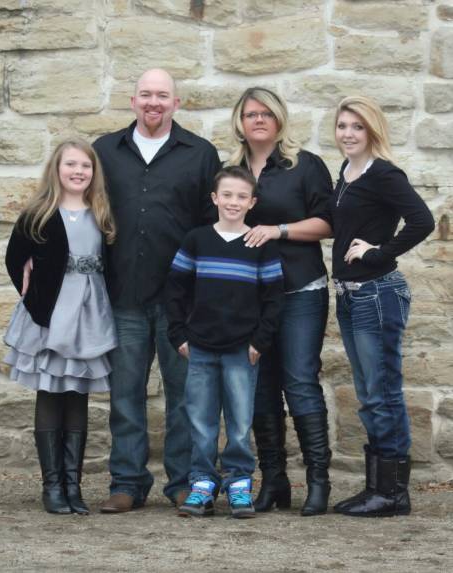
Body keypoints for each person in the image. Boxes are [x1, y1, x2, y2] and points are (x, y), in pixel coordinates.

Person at [280, 95, 435, 517]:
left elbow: (422, 220)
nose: (348, 134)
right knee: (369, 394)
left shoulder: (384, 173)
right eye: (342, 126)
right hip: (351, 295)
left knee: (382, 393)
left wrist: (378, 252)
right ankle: (377, 489)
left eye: (357, 126)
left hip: (377, 293)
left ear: (372, 130)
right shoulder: (347, 172)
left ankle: (392, 493)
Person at [93, 68, 221, 513]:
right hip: (123, 295)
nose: (153, 102)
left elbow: (212, 225)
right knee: (125, 394)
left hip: (181, 300)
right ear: (132, 101)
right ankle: (127, 483)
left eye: (162, 95)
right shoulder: (104, 150)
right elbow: (81, 208)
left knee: (185, 396)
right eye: (145, 94)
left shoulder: (201, 154)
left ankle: (184, 483)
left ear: (176, 103)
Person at [229, 87, 333, 516]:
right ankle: (274, 480)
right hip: (251, 296)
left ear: (279, 120)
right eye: (250, 114)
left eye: (266, 114)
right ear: (240, 122)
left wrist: (279, 230)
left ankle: (318, 481)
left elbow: (328, 222)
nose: (258, 120)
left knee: (300, 381)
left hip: (300, 290)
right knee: (260, 387)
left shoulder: (304, 165)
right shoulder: (230, 172)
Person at [4, 138, 117, 515]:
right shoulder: (38, 214)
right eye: (71, 164)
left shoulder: (101, 212)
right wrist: (31, 290)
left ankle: (73, 485)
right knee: (51, 392)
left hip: (88, 316)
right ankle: (52, 486)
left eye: (85, 166)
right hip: (50, 316)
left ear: (93, 173)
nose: (78, 171)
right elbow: (15, 257)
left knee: (77, 394)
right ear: (56, 169)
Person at [165, 166, 284, 518]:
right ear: (215, 198)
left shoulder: (260, 245)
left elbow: (274, 299)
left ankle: (239, 484)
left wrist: (260, 341)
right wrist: (178, 334)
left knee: (240, 423)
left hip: (242, 350)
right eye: (227, 195)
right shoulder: (197, 240)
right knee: (201, 421)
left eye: (241, 196)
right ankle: (202, 483)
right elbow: (175, 289)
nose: (234, 202)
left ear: (252, 202)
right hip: (200, 347)